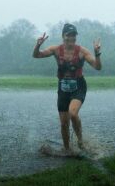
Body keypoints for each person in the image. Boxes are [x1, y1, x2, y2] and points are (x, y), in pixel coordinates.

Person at [32, 23, 102, 152]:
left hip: (78, 86)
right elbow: (36, 55)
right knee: (64, 123)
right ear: (63, 36)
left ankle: (81, 142)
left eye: (73, 35)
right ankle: (67, 148)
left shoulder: (82, 51)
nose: (71, 38)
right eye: (68, 35)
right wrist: (38, 45)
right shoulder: (56, 49)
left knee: (73, 114)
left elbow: (98, 67)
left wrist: (97, 54)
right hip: (63, 88)